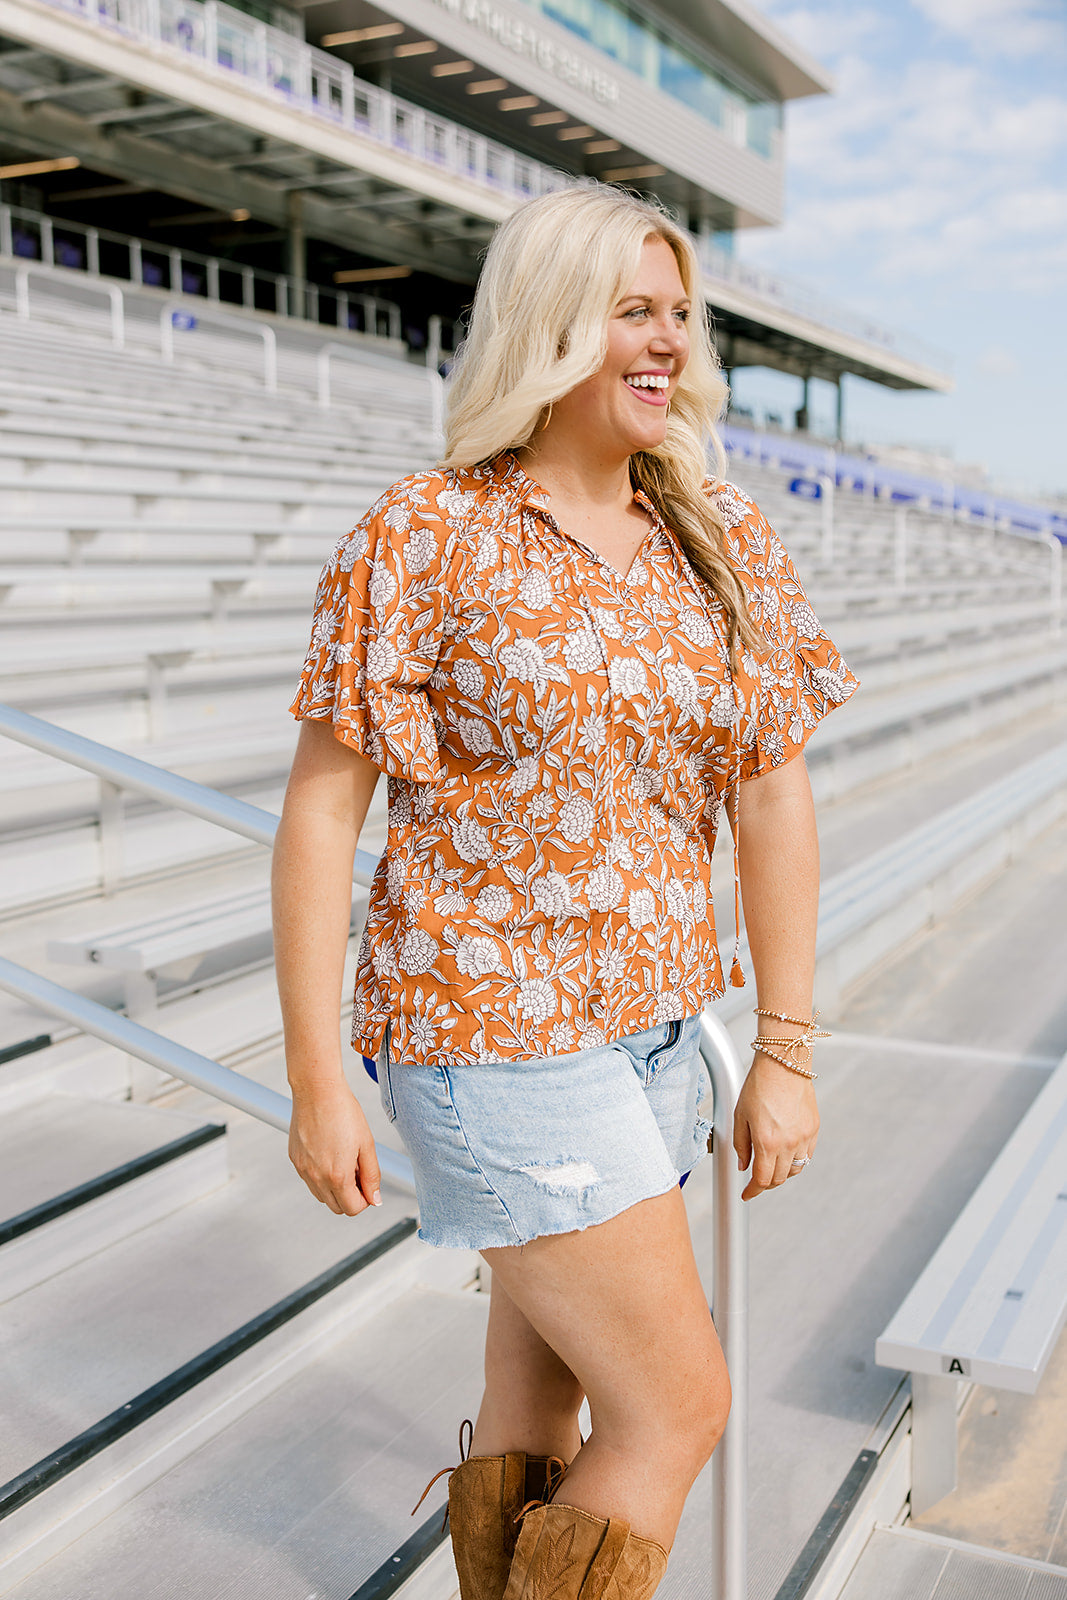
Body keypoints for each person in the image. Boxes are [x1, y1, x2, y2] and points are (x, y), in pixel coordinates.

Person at [272, 182, 858, 1600]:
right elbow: (318, 817)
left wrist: (783, 1046)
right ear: (549, 325)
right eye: (629, 313)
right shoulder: (425, 535)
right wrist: (313, 1081)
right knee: (681, 1407)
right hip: (489, 1037)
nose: (665, 344)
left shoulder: (722, 541)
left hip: (656, 1033)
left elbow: (772, 794)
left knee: (542, 1405)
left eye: (677, 315)